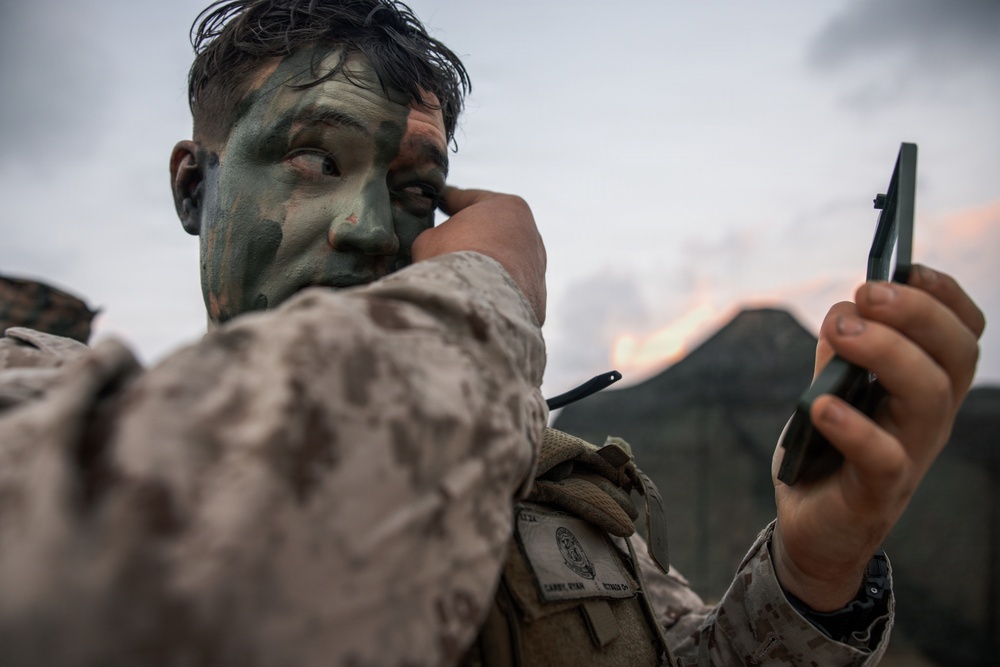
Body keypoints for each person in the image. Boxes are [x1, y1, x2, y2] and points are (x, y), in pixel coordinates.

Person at [0, 0, 984, 665]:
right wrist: (493, 284)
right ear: (193, 185)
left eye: (413, 190)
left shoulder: (542, 488)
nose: (366, 227)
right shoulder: (42, 395)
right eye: (312, 158)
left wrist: (815, 570)